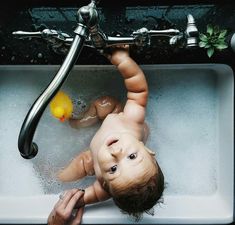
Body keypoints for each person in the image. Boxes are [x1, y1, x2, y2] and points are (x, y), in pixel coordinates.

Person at [48, 46, 164, 225]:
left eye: (113, 169)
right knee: (105, 104)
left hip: (92, 159)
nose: (116, 152)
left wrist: (76, 200)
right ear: (147, 149)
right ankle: (78, 121)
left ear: (104, 184)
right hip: (114, 116)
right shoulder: (132, 121)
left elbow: (90, 195)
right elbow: (138, 91)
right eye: (132, 156)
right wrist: (123, 60)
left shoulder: (105, 187)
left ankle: (50, 175)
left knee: (71, 172)